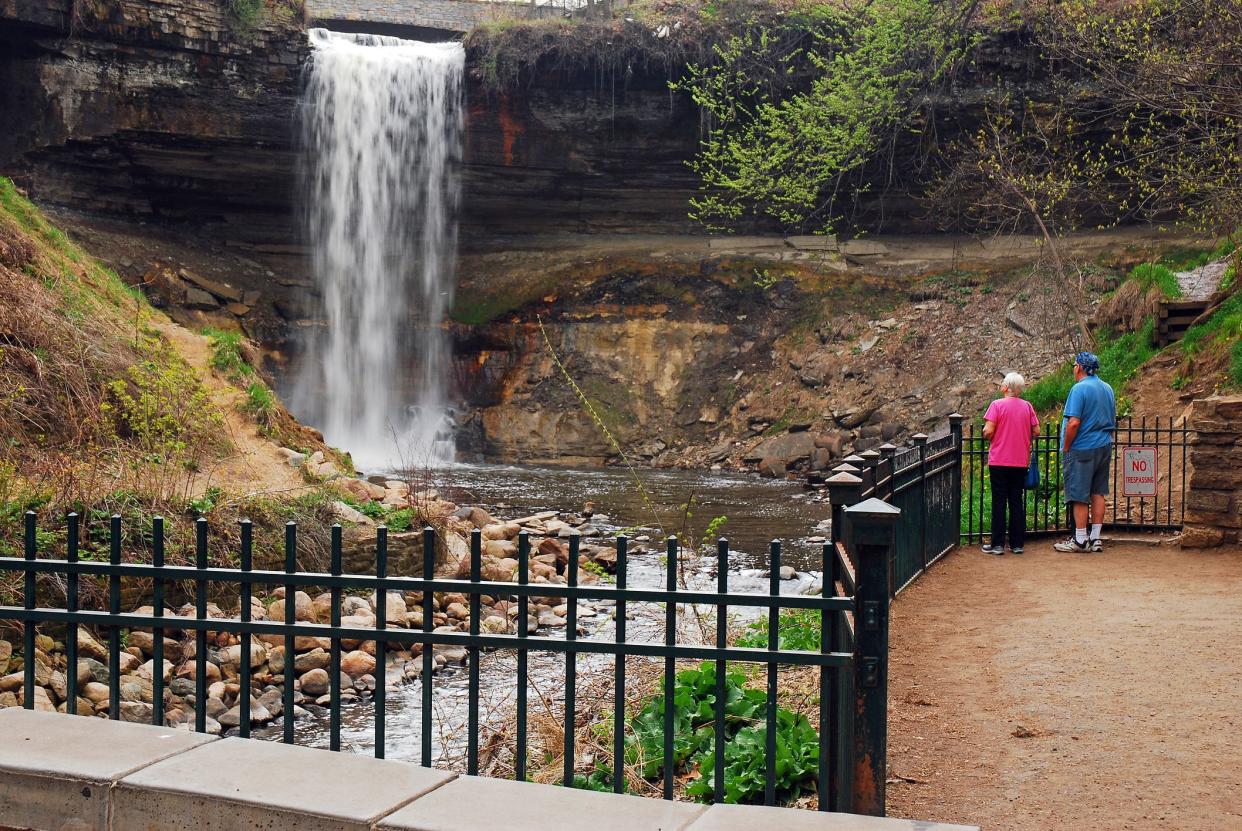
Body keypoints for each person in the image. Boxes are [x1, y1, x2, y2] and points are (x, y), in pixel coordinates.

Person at [1054, 352, 1116, 553]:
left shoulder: (1079, 389)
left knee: (1079, 494)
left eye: (1074, 365)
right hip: (1104, 445)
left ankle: (1080, 540)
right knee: (1098, 491)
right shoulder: (1107, 388)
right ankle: (1096, 538)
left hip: (1082, 448)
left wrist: (1066, 447)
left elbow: (1074, 422)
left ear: (1079, 367)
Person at [981, 372, 1039, 555]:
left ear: (1006, 387)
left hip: (999, 460)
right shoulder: (1027, 406)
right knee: (1016, 501)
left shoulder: (996, 405)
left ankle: (997, 544)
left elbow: (988, 431)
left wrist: (988, 434)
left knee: (999, 501)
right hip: (1020, 461)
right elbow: (1036, 431)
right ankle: (1017, 544)